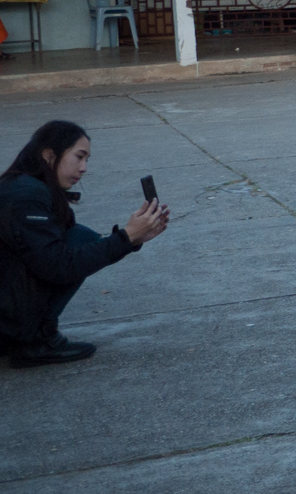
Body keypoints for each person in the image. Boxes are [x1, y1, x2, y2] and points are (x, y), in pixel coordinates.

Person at [0, 121, 169, 367]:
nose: (84, 168)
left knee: (81, 239)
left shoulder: (28, 187)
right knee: (81, 239)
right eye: (79, 157)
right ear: (49, 155)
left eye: (87, 160)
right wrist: (125, 237)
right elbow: (59, 265)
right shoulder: (25, 196)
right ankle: (36, 342)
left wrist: (133, 239)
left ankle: (26, 336)